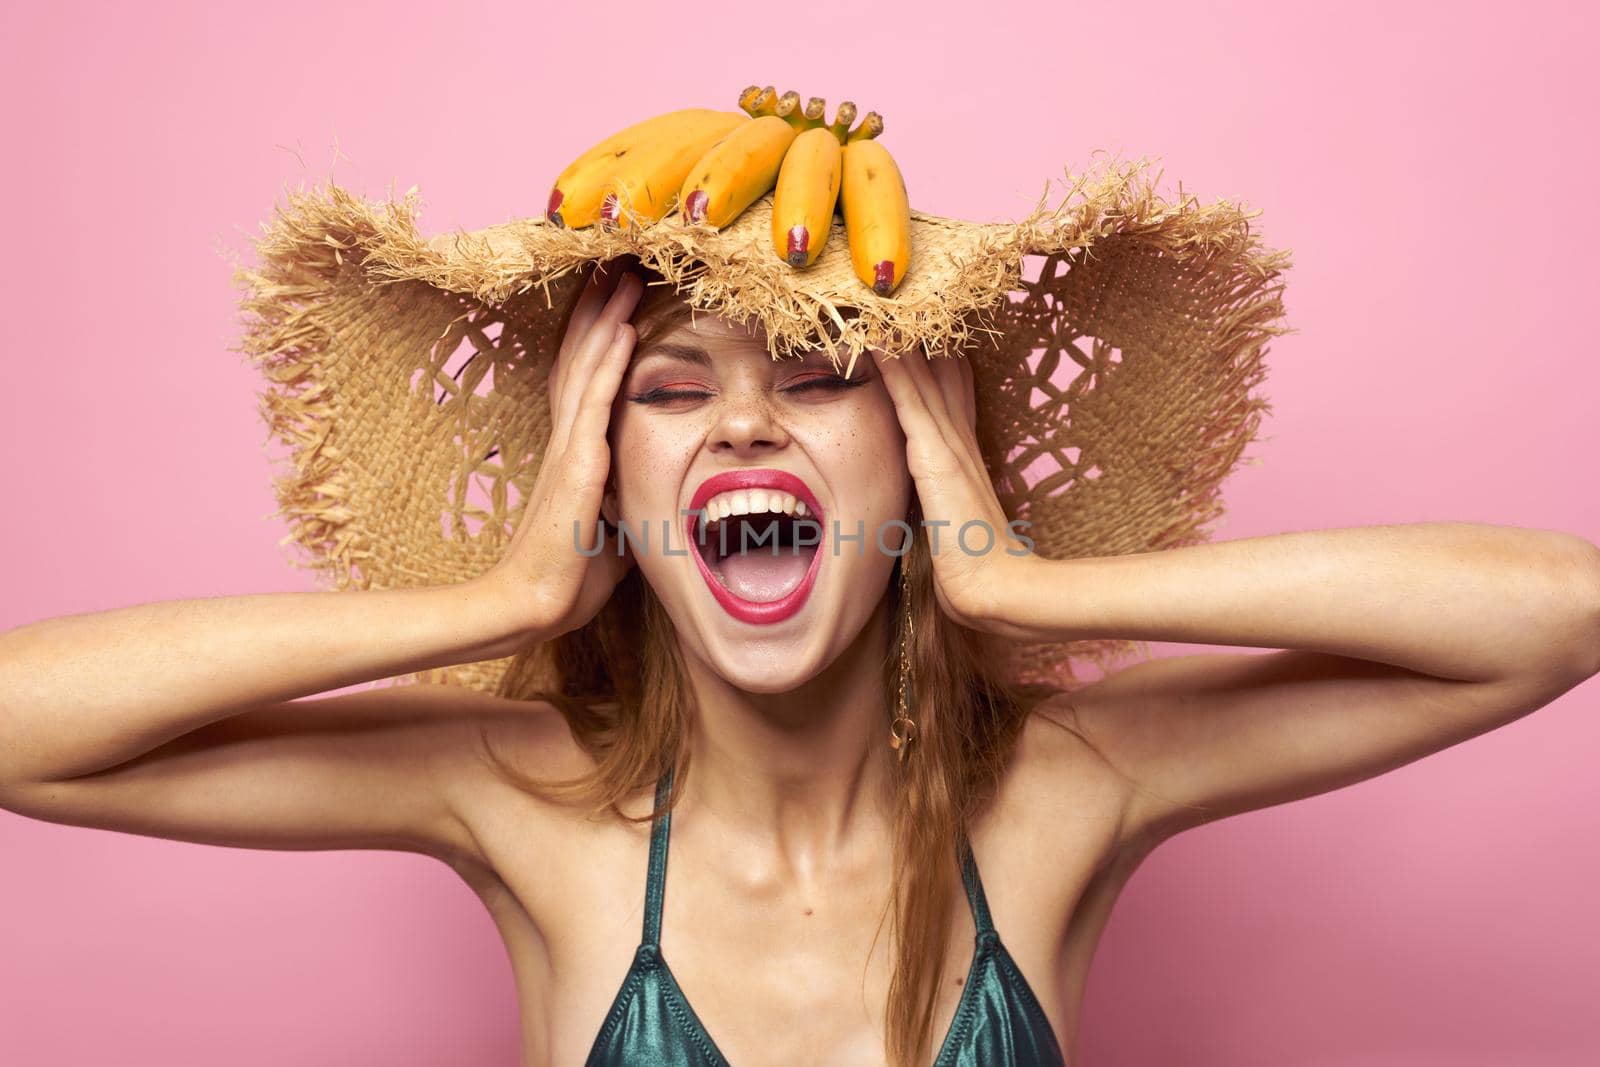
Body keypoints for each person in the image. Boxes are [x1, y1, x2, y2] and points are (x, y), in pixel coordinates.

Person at [3, 206, 1598, 1067]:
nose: (746, 426)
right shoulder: (519, 798)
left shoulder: (1069, 785)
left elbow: (1557, 613)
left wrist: (1021, 585)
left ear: (920, 458)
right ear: (604, 481)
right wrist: (491, 606)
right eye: (671, 390)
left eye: (827, 375)